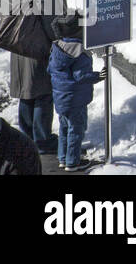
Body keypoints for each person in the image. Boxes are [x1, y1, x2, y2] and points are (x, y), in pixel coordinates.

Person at [9, 0, 73, 157]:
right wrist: (62, 42)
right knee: (43, 94)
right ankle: (42, 141)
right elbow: (52, 20)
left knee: (27, 92)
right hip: (39, 47)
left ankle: (27, 138)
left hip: (21, 46)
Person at [47, 15, 105, 172]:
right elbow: (81, 76)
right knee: (76, 130)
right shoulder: (79, 52)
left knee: (64, 128)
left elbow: (50, 70)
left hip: (60, 98)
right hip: (75, 100)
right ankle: (73, 162)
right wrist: (98, 76)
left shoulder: (57, 48)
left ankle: (63, 158)